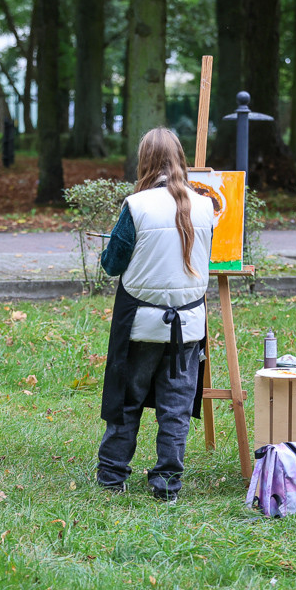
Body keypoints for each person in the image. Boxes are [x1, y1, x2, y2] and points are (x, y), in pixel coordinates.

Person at [95, 128, 214, 503]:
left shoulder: (137, 205)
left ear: (143, 160)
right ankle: (166, 484)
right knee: (176, 409)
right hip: (189, 326)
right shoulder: (206, 205)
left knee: (127, 402)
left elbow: (112, 266)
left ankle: (112, 476)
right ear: (180, 158)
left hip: (141, 325)